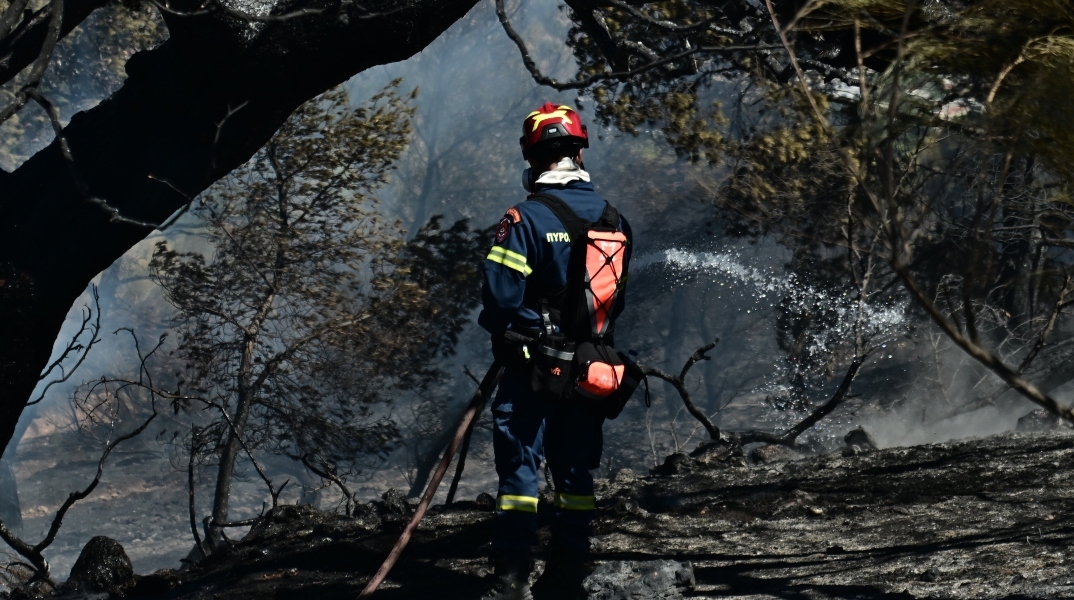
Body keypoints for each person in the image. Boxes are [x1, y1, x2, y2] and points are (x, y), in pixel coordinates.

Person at [478, 103, 632, 600]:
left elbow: (501, 298)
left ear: (534, 157)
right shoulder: (616, 220)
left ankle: (511, 579)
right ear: (579, 151)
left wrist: (506, 335)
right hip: (590, 370)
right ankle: (568, 574)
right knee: (574, 474)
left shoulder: (523, 219)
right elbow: (614, 300)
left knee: (522, 471)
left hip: (531, 371)